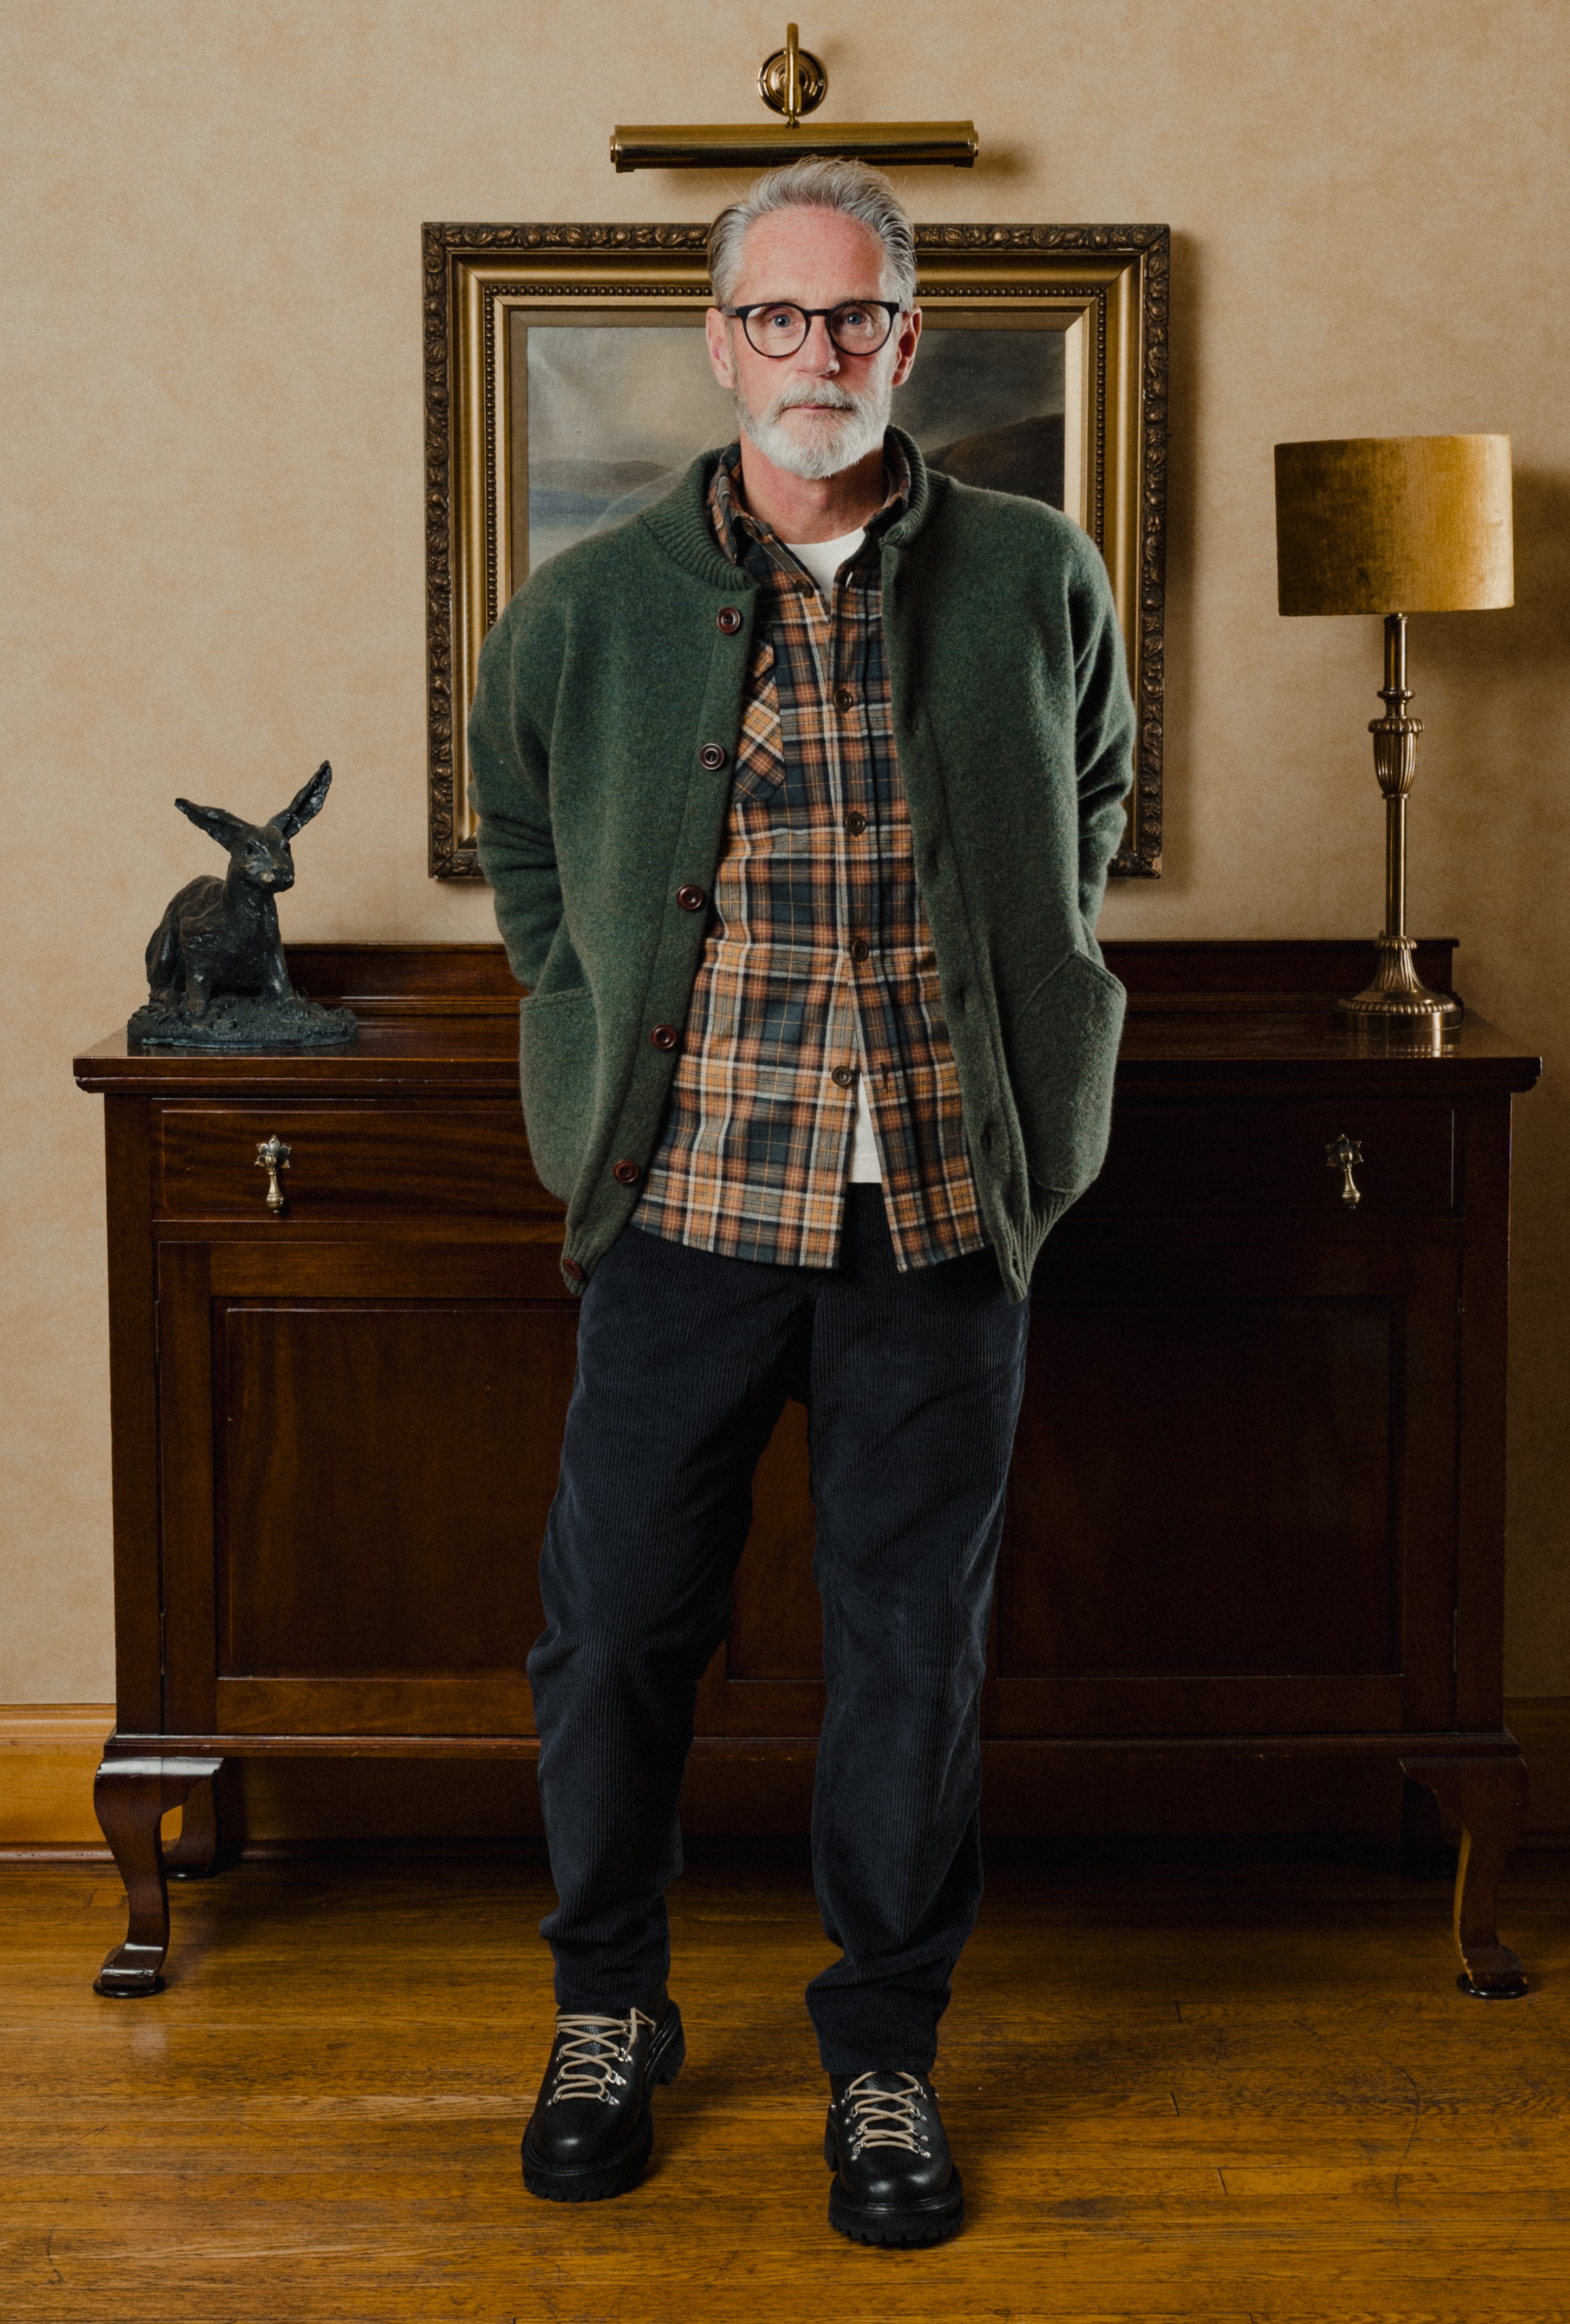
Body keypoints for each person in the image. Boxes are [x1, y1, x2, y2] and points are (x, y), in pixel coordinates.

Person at [470, 155, 1135, 2247]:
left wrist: (1043, 1005)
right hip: (682, 1199)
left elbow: (1093, 786)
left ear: (905, 340)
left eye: (853, 319)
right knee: (617, 1634)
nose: (816, 355)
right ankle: (608, 2006)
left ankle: (882, 2061)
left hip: (939, 1203)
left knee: (908, 1651)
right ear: (719, 338)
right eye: (777, 317)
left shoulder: (1034, 572)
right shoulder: (586, 604)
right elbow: (516, 834)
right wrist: (581, 1021)